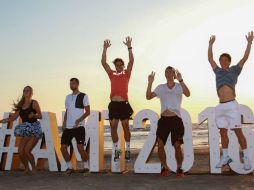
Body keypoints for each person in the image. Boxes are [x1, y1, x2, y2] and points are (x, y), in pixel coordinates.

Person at [208, 31, 254, 171]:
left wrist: (249, 42)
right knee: (223, 132)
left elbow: (245, 58)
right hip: (220, 106)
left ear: (229, 61)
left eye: (225, 60)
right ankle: (226, 156)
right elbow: (210, 59)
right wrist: (210, 45)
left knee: (238, 132)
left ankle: (246, 159)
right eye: (221, 60)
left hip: (232, 105)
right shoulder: (218, 71)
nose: (222, 62)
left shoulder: (235, 70)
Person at [146, 66, 190, 177]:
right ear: (165, 74)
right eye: (167, 71)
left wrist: (181, 79)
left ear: (174, 75)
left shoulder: (179, 86)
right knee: (160, 145)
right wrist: (150, 82)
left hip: (176, 119)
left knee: (176, 145)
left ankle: (179, 168)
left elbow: (188, 94)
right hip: (164, 120)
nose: (169, 73)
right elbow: (148, 97)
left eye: (171, 71)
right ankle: (164, 167)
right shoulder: (161, 87)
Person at [101, 37, 134, 162]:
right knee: (113, 126)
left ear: (123, 66)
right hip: (113, 104)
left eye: (121, 65)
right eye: (117, 65)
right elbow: (104, 63)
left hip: (123, 104)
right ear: (115, 66)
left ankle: (128, 149)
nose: (119, 66)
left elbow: (131, 62)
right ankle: (117, 150)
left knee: (125, 125)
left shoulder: (126, 73)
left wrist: (129, 47)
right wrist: (104, 49)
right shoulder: (112, 74)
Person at [0, 86, 43, 173]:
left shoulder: (34, 103)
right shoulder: (20, 105)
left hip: (35, 129)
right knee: (20, 151)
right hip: (26, 131)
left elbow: (40, 116)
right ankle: (26, 168)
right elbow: (12, 118)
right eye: (25, 90)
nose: (26, 92)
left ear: (31, 92)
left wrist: (34, 115)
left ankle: (34, 168)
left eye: (28, 90)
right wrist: (0, 121)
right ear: (23, 92)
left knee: (27, 151)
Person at [60, 78, 90, 174]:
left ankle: (86, 167)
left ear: (77, 84)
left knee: (80, 148)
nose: (71, 85)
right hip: (68, 127)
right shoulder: (67, 97)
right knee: (63, 148)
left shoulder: (83, 96)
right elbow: (67, 111)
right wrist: (64, 122)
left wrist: (79, 120)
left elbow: (88, 111)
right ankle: (70, 167)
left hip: (79, 126)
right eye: (70, 83)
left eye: (73, 83)